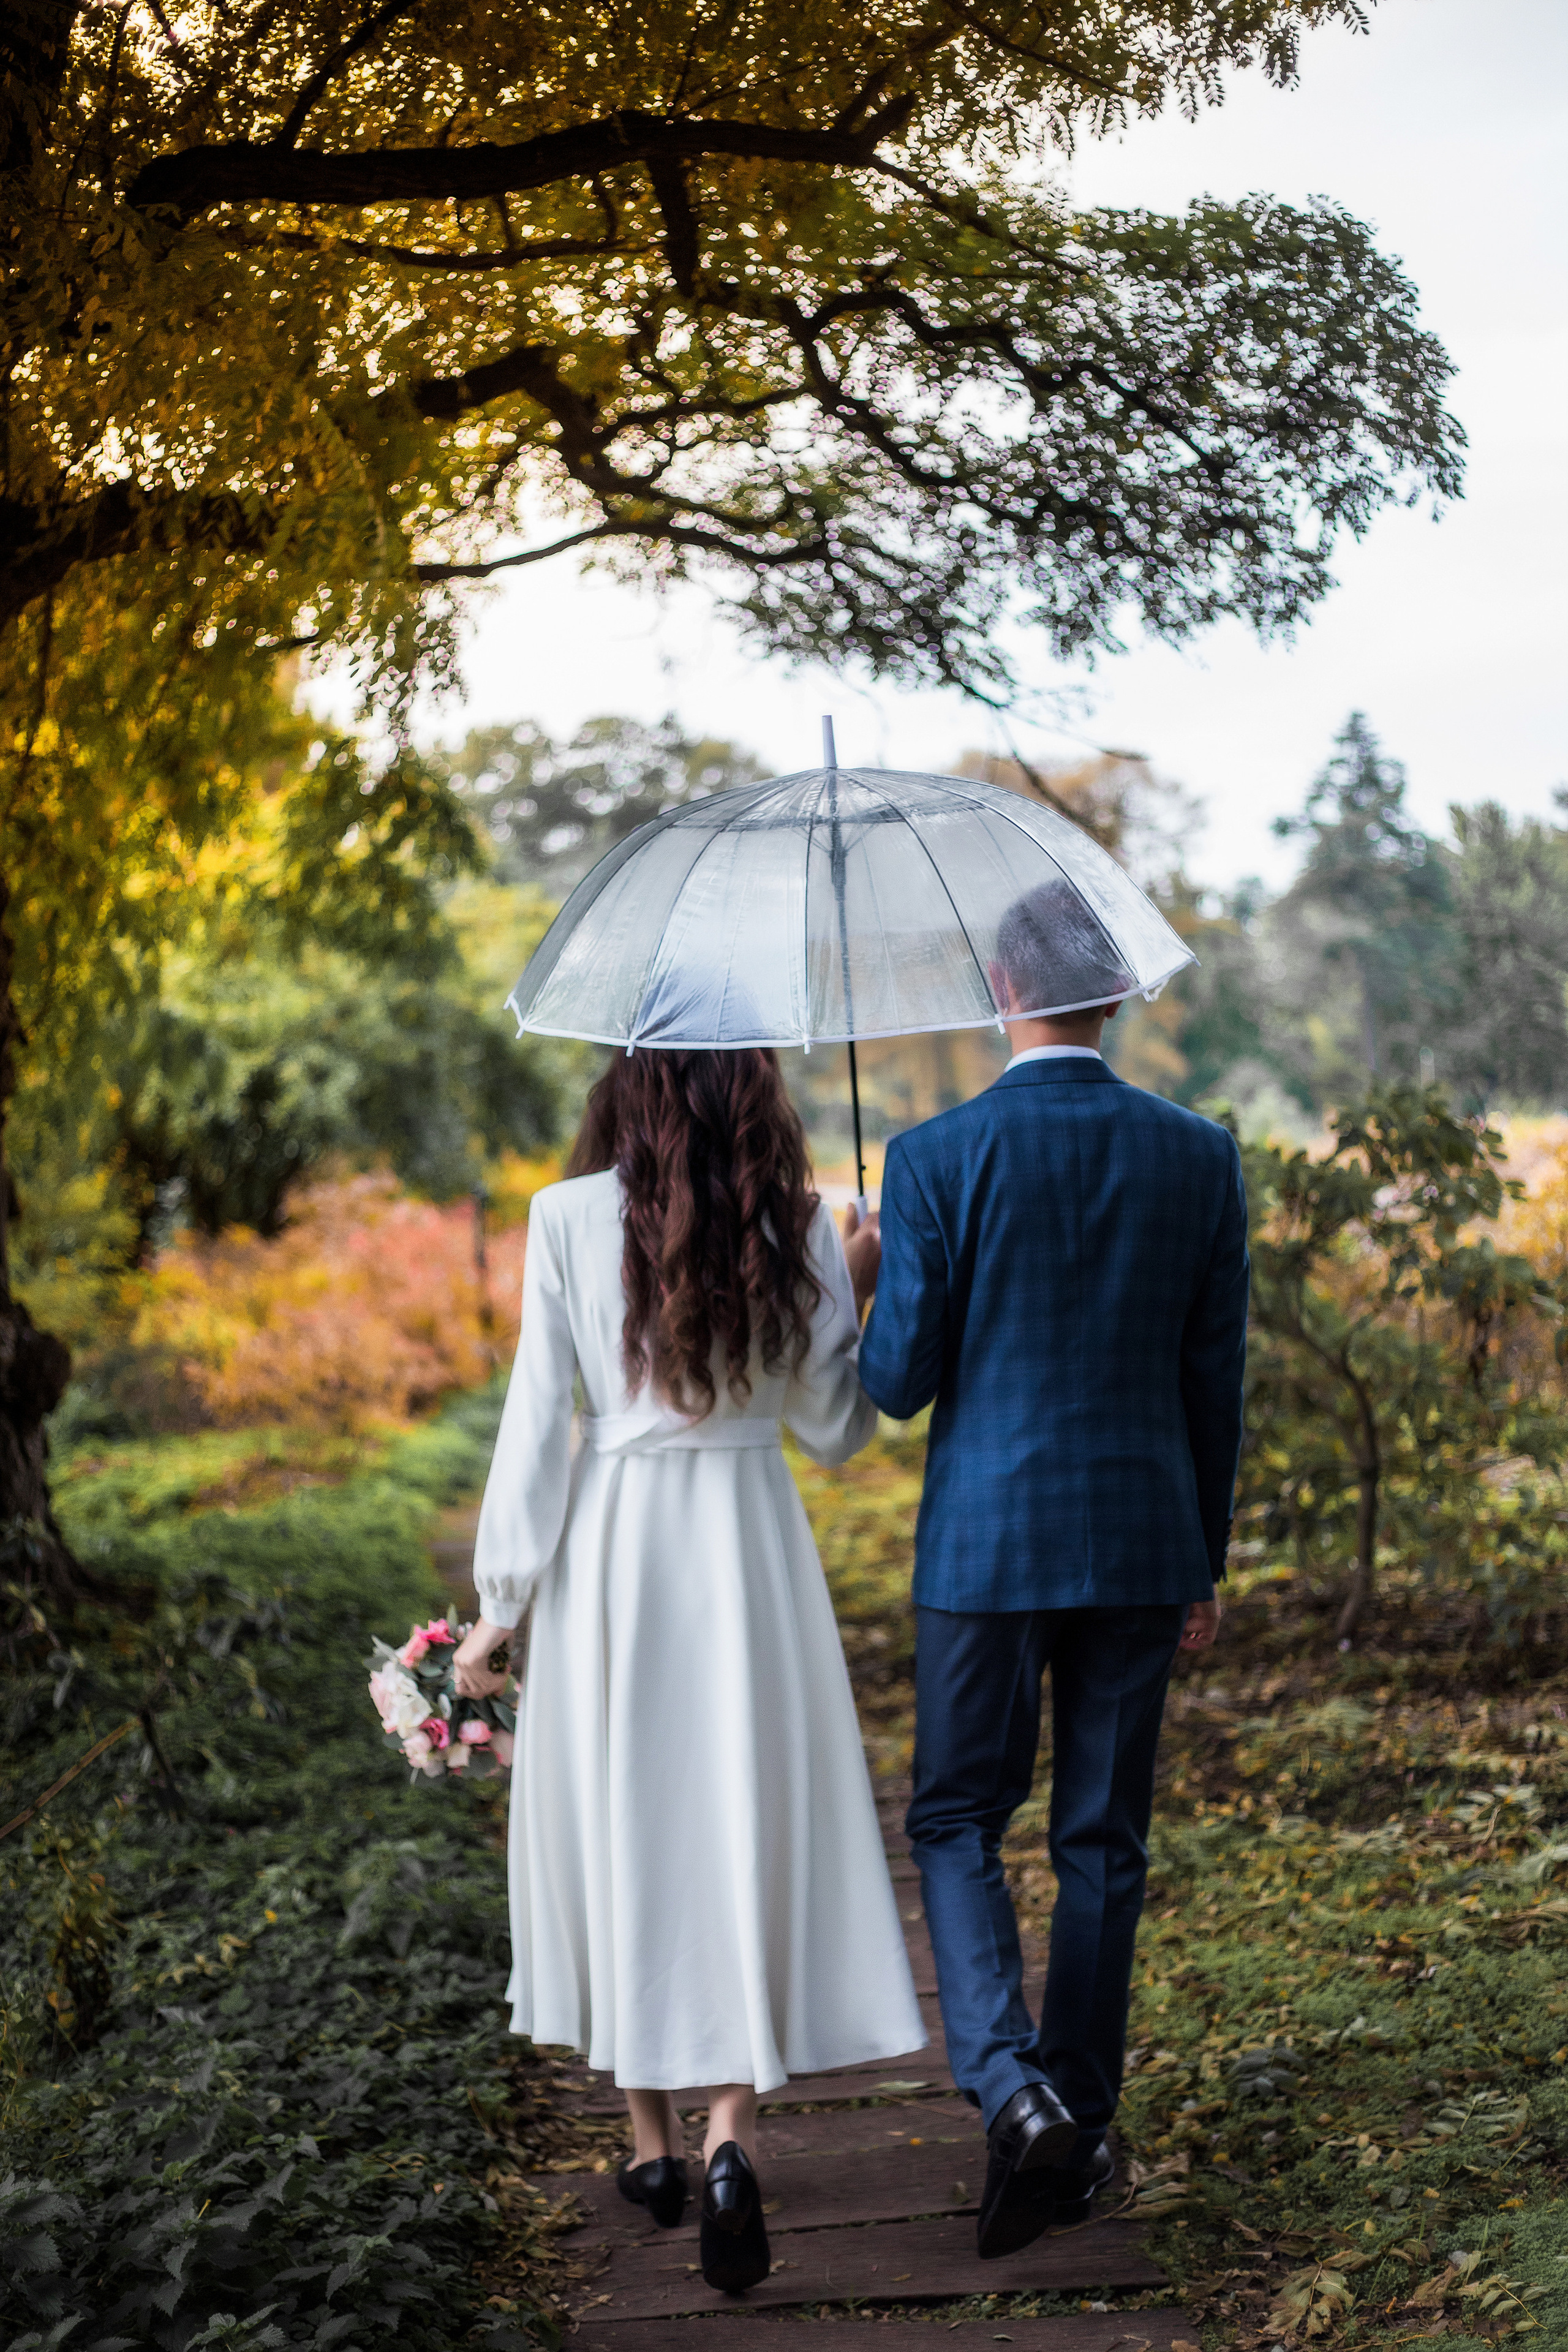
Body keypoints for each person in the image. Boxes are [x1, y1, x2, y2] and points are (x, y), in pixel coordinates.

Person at [450, 1046, 924, 2294]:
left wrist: (501, 1606)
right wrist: (851, 1284)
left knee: (629, 1817)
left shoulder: (564, 1216)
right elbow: (833, 1432)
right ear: (750, 1090)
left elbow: (536, 1419)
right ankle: (727, 2140)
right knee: (732, 1817)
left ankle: (650, 2147)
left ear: (631, 1084)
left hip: (614, 1551)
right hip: (746, 1547)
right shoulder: (797, 1222)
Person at [856, 878, 1250, 2260]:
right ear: (1115, 992)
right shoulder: (1199, 1154)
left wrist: (865, 1274)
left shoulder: (932, 1157)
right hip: (1144, 1538)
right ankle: (1075, 2120)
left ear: (1001, 991)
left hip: (984, 1546)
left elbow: (896, 1385)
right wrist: (1201, 1560)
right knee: (1101, 1840)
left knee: (955, 1817)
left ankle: (1009, 2088)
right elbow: (1214, 1381)